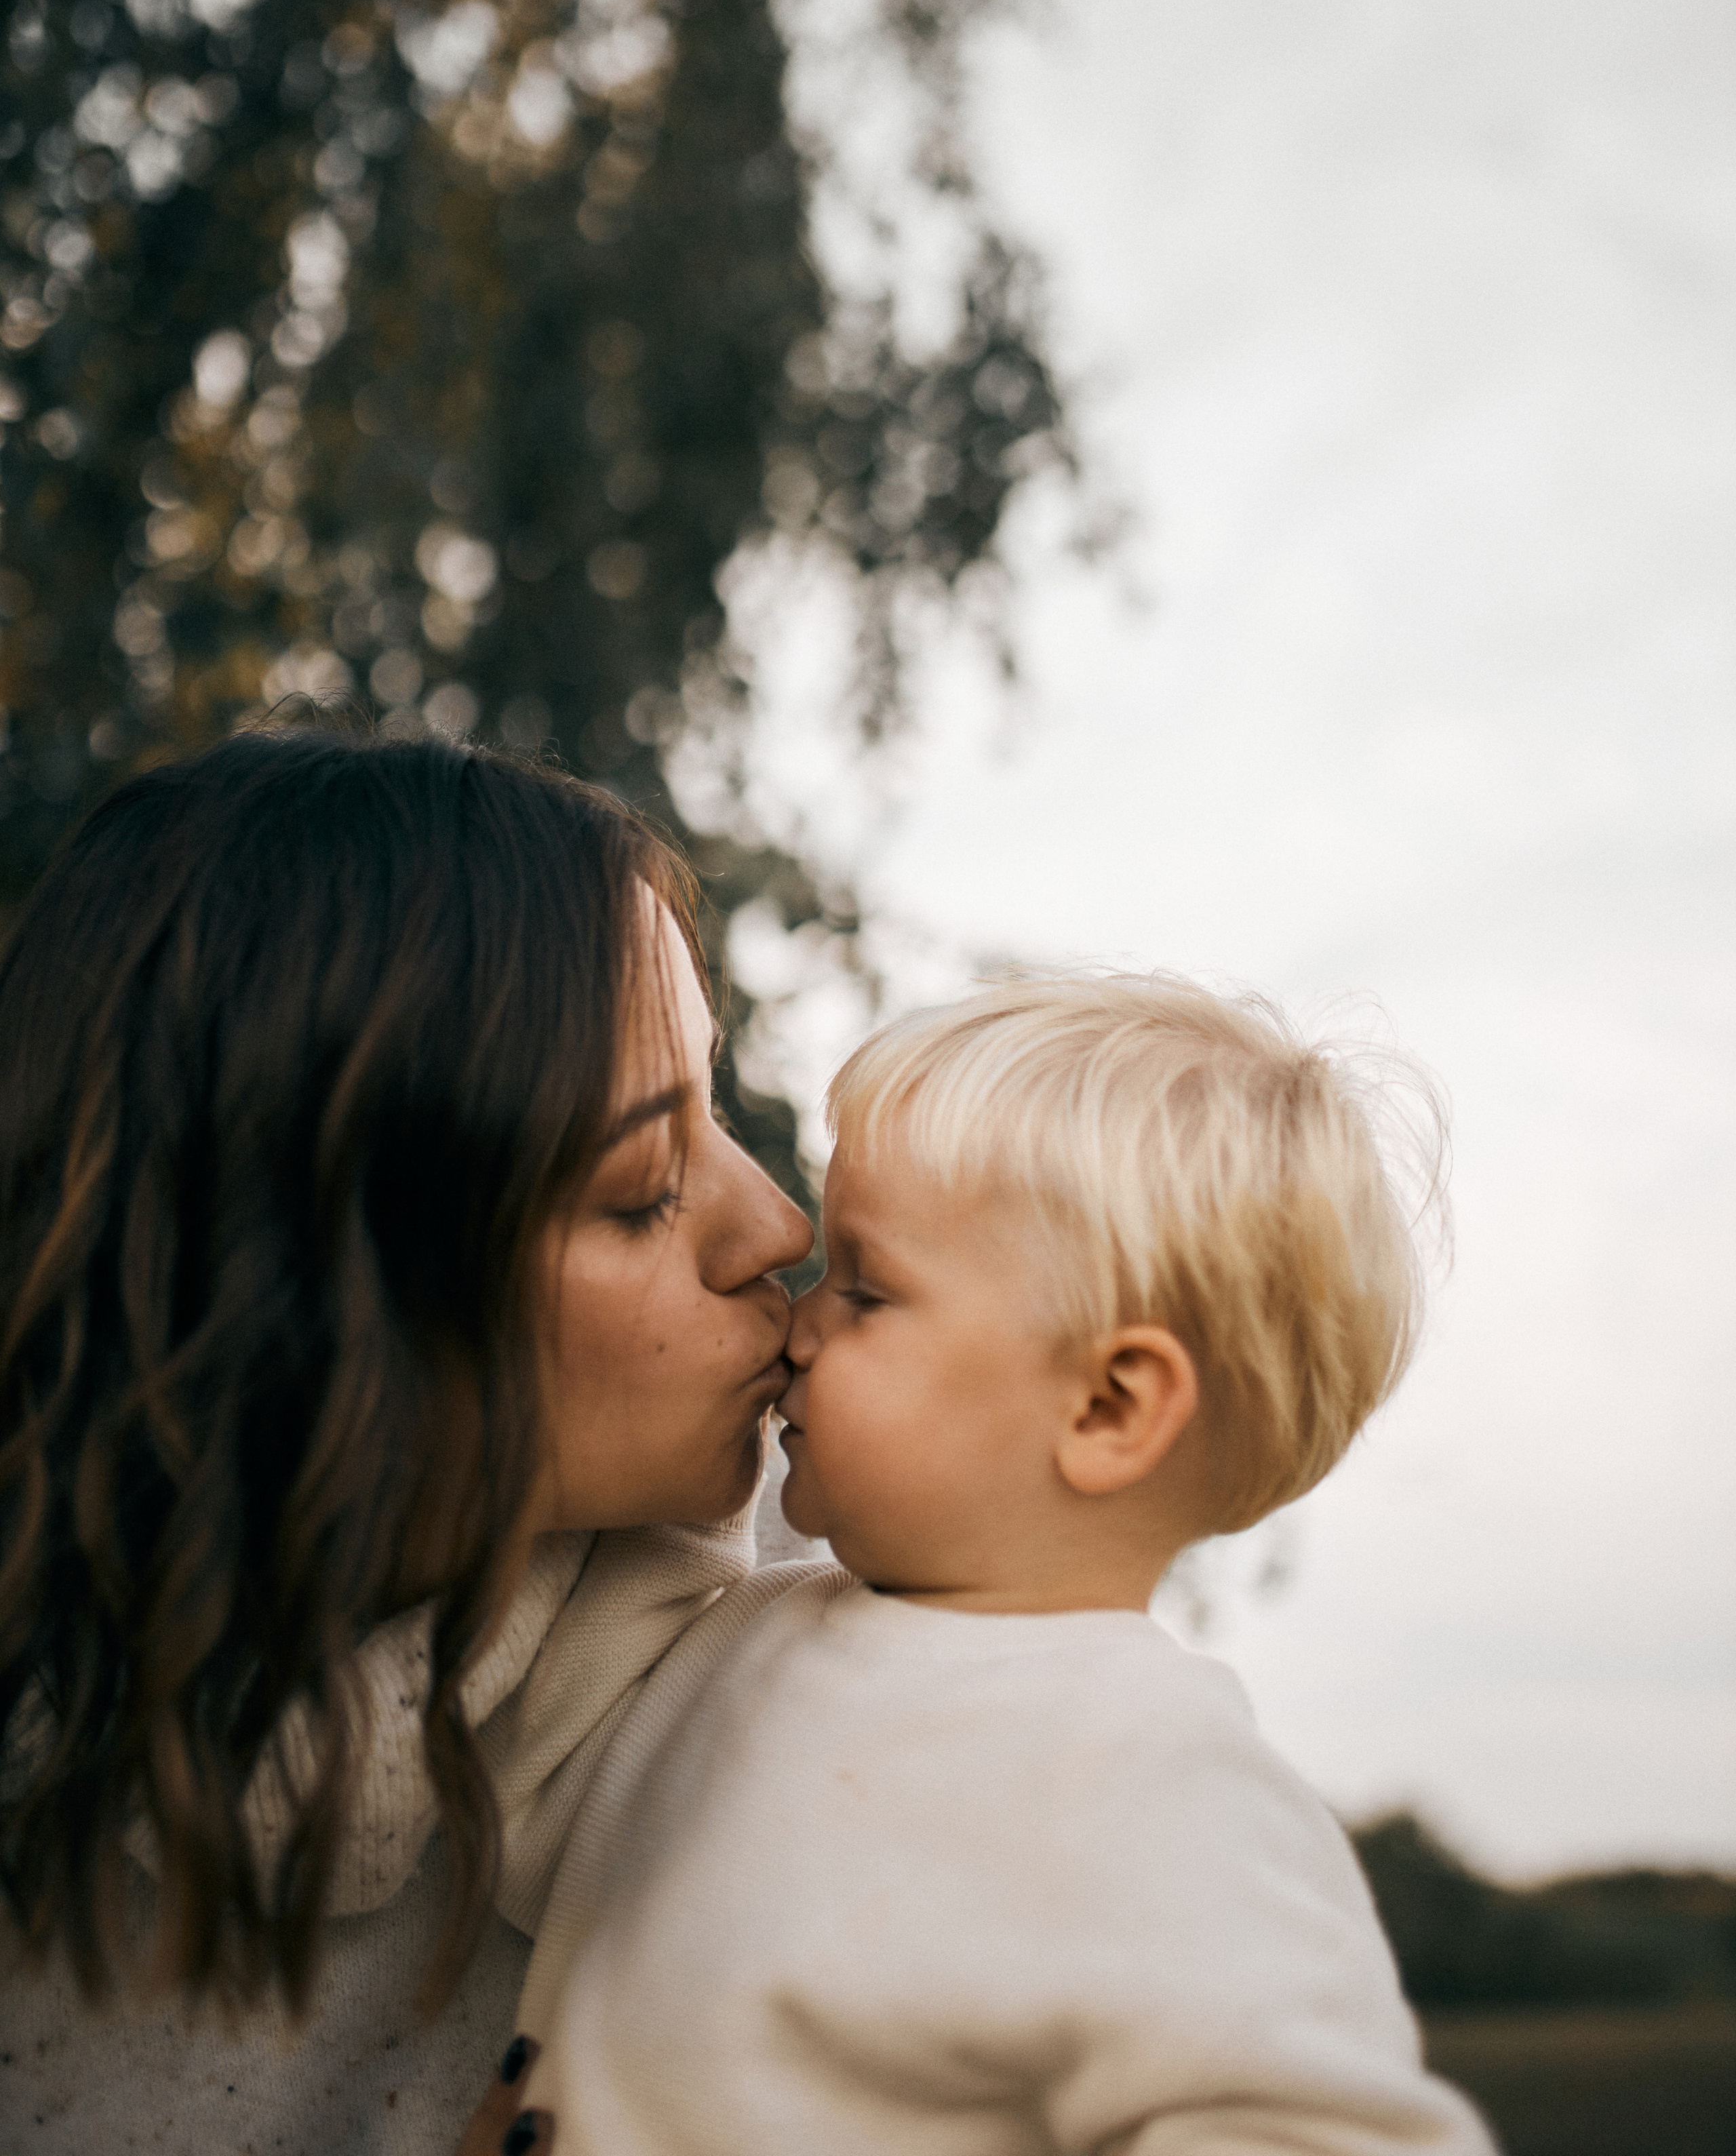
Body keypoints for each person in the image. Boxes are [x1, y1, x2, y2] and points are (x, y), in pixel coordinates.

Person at [0, 723, 810, 2155]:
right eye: (641, 1189)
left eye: (720, 1104)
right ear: (308, 1304)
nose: (778, 1228)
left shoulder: (844, 1652)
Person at [523, 974, 1495, 2154]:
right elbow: (457, 1740)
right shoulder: (723, 1635)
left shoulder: (1162, 1781)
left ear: (1105, 1406)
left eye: (868, 1291)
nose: (801, 1321)